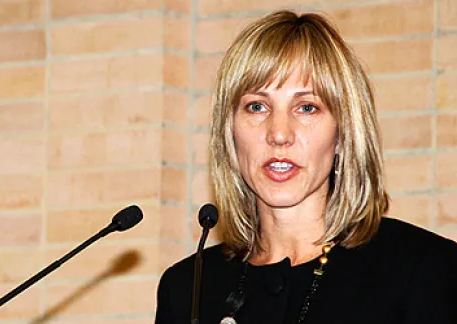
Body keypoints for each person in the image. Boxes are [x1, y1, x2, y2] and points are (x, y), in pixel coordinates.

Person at [155, 10, 457, 324]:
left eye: (307, 107)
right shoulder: (188, 288)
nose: (279, 134)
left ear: (343, 133)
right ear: (230, 131)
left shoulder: (423, 269)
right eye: (257, 106)